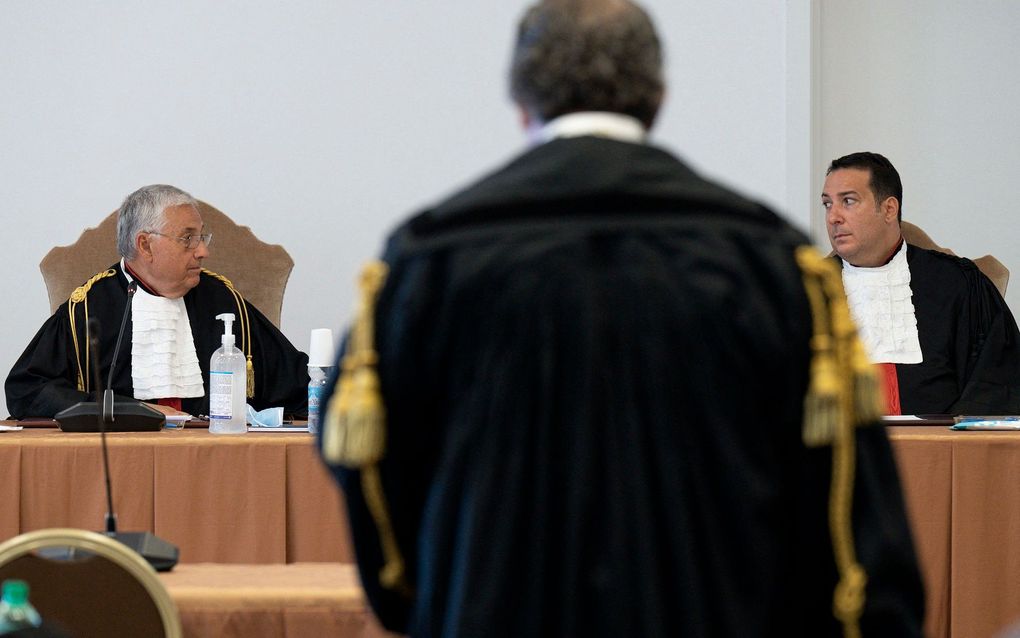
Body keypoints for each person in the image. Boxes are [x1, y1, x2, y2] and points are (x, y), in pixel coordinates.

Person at [319, 1, 924, 636]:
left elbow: (369, 460)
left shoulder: (430, 259)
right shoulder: (768, 261)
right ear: (657, 98)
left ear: (521, 101)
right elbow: (846, 508)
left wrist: (431, 595)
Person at [6, 184, 309, 419]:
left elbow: (299, 383)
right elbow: (27, 391)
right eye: (188, 238)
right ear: (145, 244)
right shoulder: (88, 308)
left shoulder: (223, 300)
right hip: (120, 463)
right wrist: (124, 411)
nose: (202, 251)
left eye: (202, 238)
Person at [822, 151, 1020, 415]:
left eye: (848, 201)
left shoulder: (958, 283)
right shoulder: (803, 290)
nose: (833, 217)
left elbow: (996, 382)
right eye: (827, 204)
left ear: (889, 209)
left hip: (940, 449)